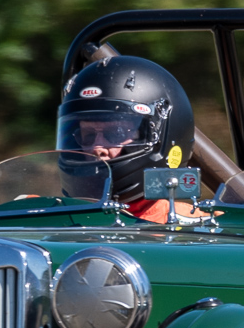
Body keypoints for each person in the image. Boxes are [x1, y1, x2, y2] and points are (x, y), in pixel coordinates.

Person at [56, 52, 211, 224]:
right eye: (88, 135)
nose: (96, 148)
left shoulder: (199, 227)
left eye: (115, 134)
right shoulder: (46, 215)